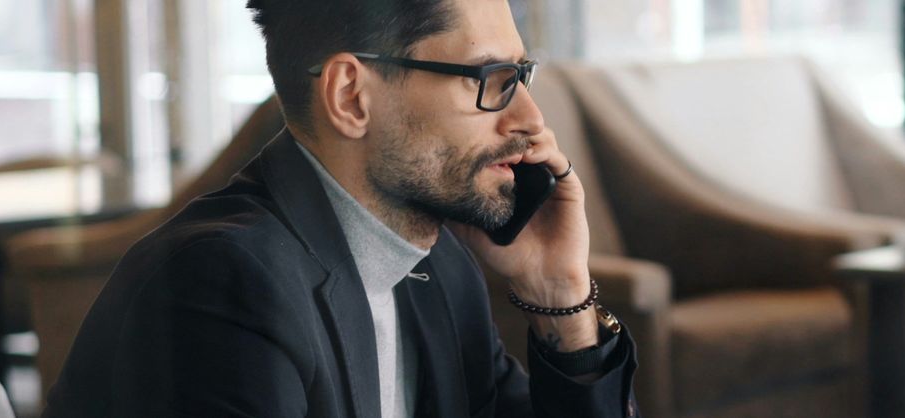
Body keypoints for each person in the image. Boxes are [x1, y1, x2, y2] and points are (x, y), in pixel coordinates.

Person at [42, 0, 637, 416]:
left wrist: (561, 300)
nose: (530, 119)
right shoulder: (223, 283)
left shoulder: (437, 269)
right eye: (490, 78)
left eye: (521, 75)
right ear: (351, 96)